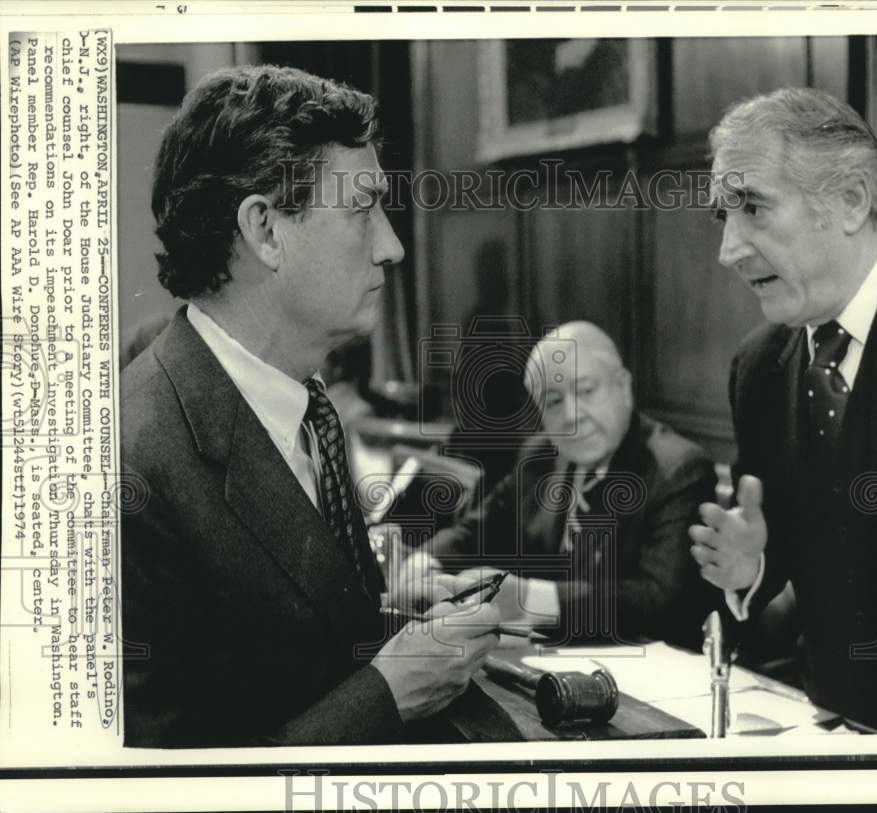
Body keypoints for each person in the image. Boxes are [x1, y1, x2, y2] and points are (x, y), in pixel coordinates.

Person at [121, 65, 500, 748]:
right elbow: (163, 786)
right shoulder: (131, 464)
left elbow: (269, 653)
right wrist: (389, 693)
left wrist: (384, 615)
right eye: (362, 210)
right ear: (265, 230)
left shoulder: (306, 409)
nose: (392, 246)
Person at [688, 87, 877, 731]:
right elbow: (787, 545)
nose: (728, 250)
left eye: (752, 207)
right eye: (722, 217)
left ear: (849, 200)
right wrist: (751, 567)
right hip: (831, 731)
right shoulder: (759, 366)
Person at [423, 321, 718, 649]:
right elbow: (478, 530)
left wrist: (531, 599)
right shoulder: (539, 456)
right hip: (541, 655)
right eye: (552, 402)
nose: (572, 416)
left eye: (586, 391)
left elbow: (659, 601)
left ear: (623, 387)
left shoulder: (677, 470)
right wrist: (425, 563)